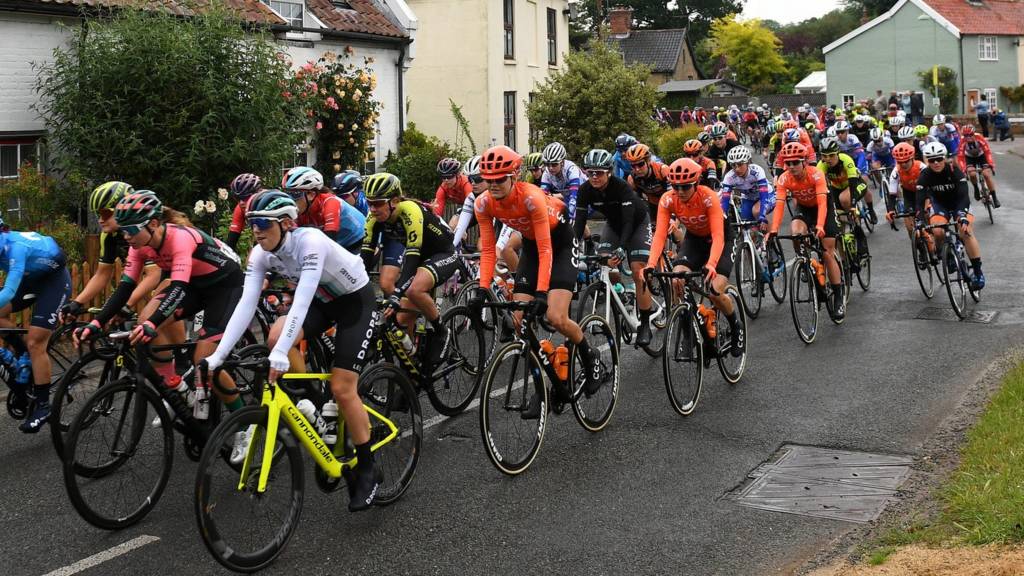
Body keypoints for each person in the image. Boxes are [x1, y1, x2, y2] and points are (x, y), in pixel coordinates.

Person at [202, 190, 381, 511]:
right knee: (274, 336)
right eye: (252, 223)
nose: (255, 230)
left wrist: (284, 351)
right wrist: (217, 355)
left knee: (343, 387)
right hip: (322, 302)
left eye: (263, 224)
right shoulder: (260, 254)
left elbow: (303, 296)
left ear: (286, 223)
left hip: (354, 302)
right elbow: (245, 304)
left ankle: (367, 467)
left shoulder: (309, 241)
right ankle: (317, 402)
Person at [75, 191, 244, 417]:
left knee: (204, 361)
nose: (126, 236)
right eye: (124, 230)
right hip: (195, 285)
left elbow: (178, 286)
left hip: (224, 287)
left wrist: (154, 324)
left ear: (153, 224)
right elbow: (125, 288)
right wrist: (96, 322)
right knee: (145, 319)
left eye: (131, 229)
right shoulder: (139, 246)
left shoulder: (180, 238)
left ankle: (244, 422)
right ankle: (178, 388)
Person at [471, 145, 605, 416]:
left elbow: (548, 250)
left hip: (561, 243)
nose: (493, 185)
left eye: (500, 179)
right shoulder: (483, 203)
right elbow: (488, 250)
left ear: (514, 176)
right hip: (533, 246)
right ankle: (542, 387)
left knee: (556, 316)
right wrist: (483, 288)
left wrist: (541, 292)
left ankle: (590, 356)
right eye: (488, 179)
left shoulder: (531, 197)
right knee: (520, 322)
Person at [644, 158, 744, 356]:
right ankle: (689, 335)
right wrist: (650, 264)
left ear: (696, 184)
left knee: (715, 290)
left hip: (721, 241)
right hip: (695, 241)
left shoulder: (708, 197)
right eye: (676, 186)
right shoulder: (668, 199)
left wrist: (712, 264)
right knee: (677, 278)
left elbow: (718, 236)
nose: (680, 192)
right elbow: (660, 235)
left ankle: (736, 326)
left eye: (686, 187)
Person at [359, 173, 457, 364]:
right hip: (422, 259)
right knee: (402, 321)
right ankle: (412, 369)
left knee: (413, 289)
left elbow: (412, 260)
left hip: (443, 253)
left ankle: (442, 331)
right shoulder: (372, 218)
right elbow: (365, 260)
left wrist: (396, 294)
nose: (372, 209)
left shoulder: (410, 211)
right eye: (369, 203)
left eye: (378, 203)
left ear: (394, 201)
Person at [574, 148, 654, 346]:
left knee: (638, 270)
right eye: (590, 172)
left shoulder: (621, 187)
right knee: (604, 264)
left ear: (609, 172)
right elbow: (579, 223)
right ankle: (621, 296)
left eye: (599, 172)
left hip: (636, 223)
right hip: (613, 225)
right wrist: (572, 247)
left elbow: (627, 222)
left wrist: (622, 248)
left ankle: (644, 324)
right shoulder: (585, 190)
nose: (594, 176)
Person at [0, 219, 71, 432]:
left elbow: (9, 293)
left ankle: (43, 406)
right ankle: (24, 360)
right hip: (30, 278)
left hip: (54, 282)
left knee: (35, 342)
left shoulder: (16, 249)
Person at [60, 181, 162, 323]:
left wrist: (127, 305)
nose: (100, 220)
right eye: (98, 214)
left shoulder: (143, 234)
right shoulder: (108, 236)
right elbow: (102, 275)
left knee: (147, 322)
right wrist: (77, 303)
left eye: (106, 213)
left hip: (179, 278)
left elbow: (154, 275)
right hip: (162, 282)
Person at [766, 142, 845, 318]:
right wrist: (774, 230)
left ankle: (839, 296)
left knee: (827, 252)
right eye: (788, 163)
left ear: (804, 162)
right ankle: (807, 265)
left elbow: (823, 203)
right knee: (796, 233)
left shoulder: (816, 174)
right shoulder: (784, 179)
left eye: (795, 162)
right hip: (804, 209)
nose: (791, 166)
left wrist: (820, 226)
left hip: (823, 208)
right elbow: (779, 205)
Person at [917, 142, 986, 290]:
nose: (936, 163)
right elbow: (920, 200)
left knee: (965, 231)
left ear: (945, 158)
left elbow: (964, 196)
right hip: (940, 206)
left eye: (939, 159)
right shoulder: (924, 175)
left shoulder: (954, 170)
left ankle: (978, 272)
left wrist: (961, 215)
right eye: (931, 160)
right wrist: (920, 220)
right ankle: (946, 255)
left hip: (959, 204)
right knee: (937, 231)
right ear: (927, 161)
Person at [281, 166, 365, 254]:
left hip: (359, 242)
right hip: (341, 245)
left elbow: (329, 241)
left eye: (294, 194)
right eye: (286, 194)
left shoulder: (330, 202)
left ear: (311, 194)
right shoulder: (301, 210)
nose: (290, 200)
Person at [720, 145, 775, 229]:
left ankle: (770, 237)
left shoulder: (757, 171)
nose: (737, 169)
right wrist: (722, 217)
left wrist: (762, 216)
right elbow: (725, 201)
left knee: (757, 211)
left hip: (766, 196)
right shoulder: (729, 177)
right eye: (733, 165)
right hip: (749, 199)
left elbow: (764, 195)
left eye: (740, 164)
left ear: (748, 162)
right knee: (745, 225)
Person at [885, 142, 930, 244]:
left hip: (925, 193)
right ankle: (919, 249)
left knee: (926, 213)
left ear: (912, 158)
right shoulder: (896, 172)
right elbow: (892, 193)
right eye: (900, 162)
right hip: (909, 194)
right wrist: (891, 210)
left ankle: (933, 236)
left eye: (906, 161)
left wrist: (928, 205)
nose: (903, 164)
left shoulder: (921, 167)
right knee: (909, 225)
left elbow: (930, 187)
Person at [957, 125, 1000, 208]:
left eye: (970, 135)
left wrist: (990, 164)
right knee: (972, 174)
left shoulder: (979, 137)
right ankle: (976, 188)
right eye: (966, 136)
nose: (968, 138)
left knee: (986, 174)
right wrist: (963, 169)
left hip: (982, 156)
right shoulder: (962, 141)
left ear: (974, 134)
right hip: (969, 158)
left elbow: (987, 152)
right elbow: (960, 157)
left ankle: (994, 197)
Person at [539, 142, 584, 221]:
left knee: (574, 222)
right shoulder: (547, 173)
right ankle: (587, 233)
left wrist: (570, 217)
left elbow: (574, 197)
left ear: (562, 162)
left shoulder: (571, 169)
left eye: (554, 164)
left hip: (582, 195)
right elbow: (543, 196)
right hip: (566, 195)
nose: (550, 168)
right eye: (547, 164)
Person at [225, 173, 265, 250]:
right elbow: (231, 241)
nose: (241, 202)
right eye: (238, 198)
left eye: (246, 197)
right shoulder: (240, 208)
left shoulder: (268, 203)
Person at [433, 157, 472, 231]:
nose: (446, 180)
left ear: (457, 175)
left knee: (454, 224)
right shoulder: (443, 188)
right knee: (452, 227)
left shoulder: (466, 184)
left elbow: (470, 206)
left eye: (449, 176)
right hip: (466, 206)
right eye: (443, 177)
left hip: (477, 206)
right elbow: (437, 212)